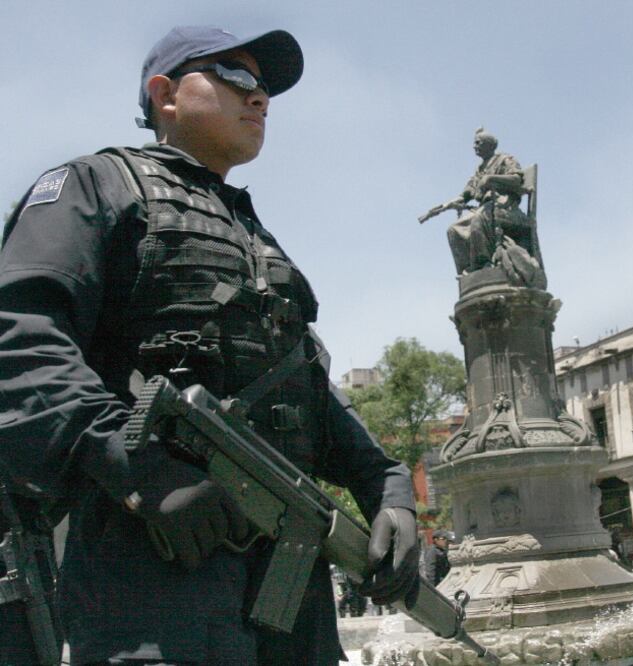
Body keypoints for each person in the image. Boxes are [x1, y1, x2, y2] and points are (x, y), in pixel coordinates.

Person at [0, 26, 420, 665]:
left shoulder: (258, 238)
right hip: (151, 567)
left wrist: (388, 489)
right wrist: (137, 467)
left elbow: (302, 388)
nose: (261, 98)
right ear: (165, 94)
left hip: (288, 589)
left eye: (267, 89)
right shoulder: (97, 187)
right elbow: (21, 335)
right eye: (237, 76)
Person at [445, 128, 530, 274]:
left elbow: (516, 180)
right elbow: (469, 191)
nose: (474, 146)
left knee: (478, 218)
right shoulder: (479, 169)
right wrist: (455, 201)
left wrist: (491, 179)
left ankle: (484, 264)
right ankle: (468, 270)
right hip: (486, 208)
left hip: (505, 205)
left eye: (478, 143)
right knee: (453, 229)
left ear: (489, 145)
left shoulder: (505, 159)